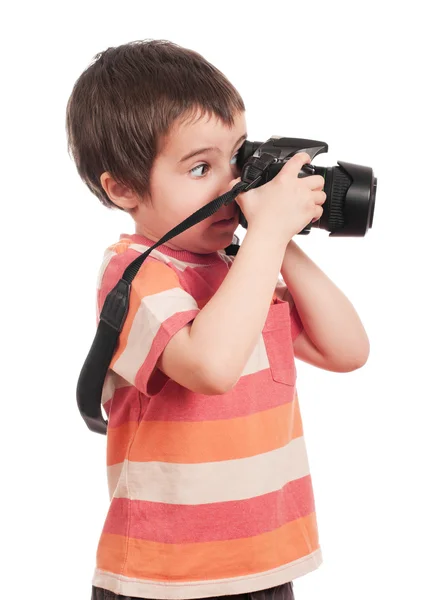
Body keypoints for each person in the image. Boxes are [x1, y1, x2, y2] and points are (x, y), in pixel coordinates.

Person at [66, 39, 370, 600]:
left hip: (267, 564)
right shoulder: (134, 272)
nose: (232, 186)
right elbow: (211, 366)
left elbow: (347, 350)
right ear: (123, 188)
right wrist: (266, 239)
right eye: (200, 167)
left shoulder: (239, 268)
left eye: (237, 159)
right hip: (163, 577)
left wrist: (277, 239)